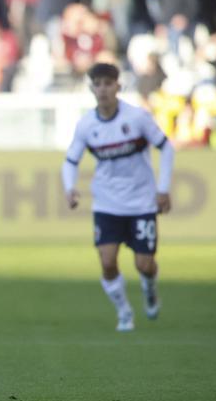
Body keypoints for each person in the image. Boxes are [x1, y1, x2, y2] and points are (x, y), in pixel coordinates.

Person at [62, 62, 175, 332]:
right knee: (108, 261)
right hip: (107, 203)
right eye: (97, 84)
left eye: (108, 83)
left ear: (118, 86)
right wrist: (69, 187)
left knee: (144, 264)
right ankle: (124, 311)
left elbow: (166, 148)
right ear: (91, 88)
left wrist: (163, 188)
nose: (103, 90)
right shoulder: (87, 124)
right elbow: (70, 160)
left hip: (141, 202)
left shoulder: (137, 118)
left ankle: (149, 289)